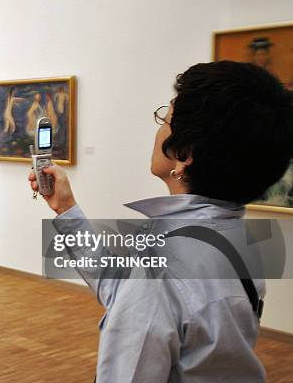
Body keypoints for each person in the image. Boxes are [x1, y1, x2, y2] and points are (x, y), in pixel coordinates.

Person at [28, 61, 293, 383]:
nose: (158, 129)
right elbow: (124, 290)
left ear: (184, 153)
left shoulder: (166, 267)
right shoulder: (239, 238)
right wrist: (66, 209)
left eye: (164, 119)